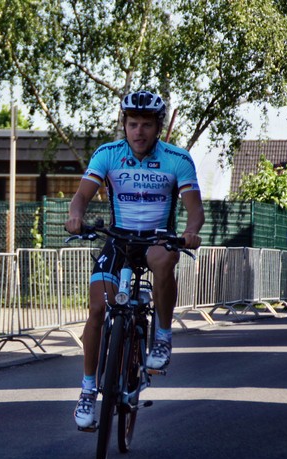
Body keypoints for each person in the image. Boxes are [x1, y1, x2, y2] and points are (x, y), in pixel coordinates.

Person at [65, 90, 205, 429]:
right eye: (132, 124)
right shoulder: (108, 154)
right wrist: (75, 216)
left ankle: (163, 336)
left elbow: (195, 210)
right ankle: (88, 391)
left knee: (162, 258)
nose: (138, 131)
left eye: (146, 125)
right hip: (119, 240)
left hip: (158, 238)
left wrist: (190, 232)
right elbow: (81, 196)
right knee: (96, 309)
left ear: (158, 127)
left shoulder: (177, 159)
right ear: (124, 125)